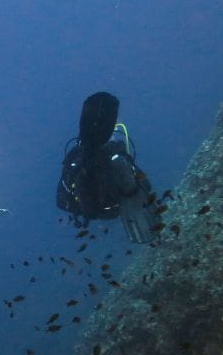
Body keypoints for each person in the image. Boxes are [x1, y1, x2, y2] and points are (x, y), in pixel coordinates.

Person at [57, 92, 161, 244]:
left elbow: (62, 199)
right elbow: (145, 185)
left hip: (95, 209)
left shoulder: (76, 157)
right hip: (113, 206)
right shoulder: (116, 152)